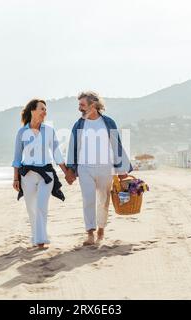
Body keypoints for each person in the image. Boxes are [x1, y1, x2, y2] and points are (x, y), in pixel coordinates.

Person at [65, 91, 133, 246]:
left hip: (105, 168)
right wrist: (70, 170)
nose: (79, 108)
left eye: (82, 105)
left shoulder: (108, 122)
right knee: (88, 200)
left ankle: (101, 231)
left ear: (93, 105)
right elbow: (72, 147)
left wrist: (122, 171)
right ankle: (90, 233)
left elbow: (117, 146)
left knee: (104, 201)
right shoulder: (79, 124)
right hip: (84, 168)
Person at [12, 99, 72, 250]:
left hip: (46, 174)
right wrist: (15, 178)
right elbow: (17, 158)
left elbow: (57, 154)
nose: (45, 112)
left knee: (41, 206)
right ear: (32, 110)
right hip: (27, 175)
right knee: (31, 208)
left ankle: (41, 240)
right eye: (42, 109)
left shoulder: (49, 131)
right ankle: (36, 236)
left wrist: (67, 173)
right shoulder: (22, 132)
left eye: (46, 109)